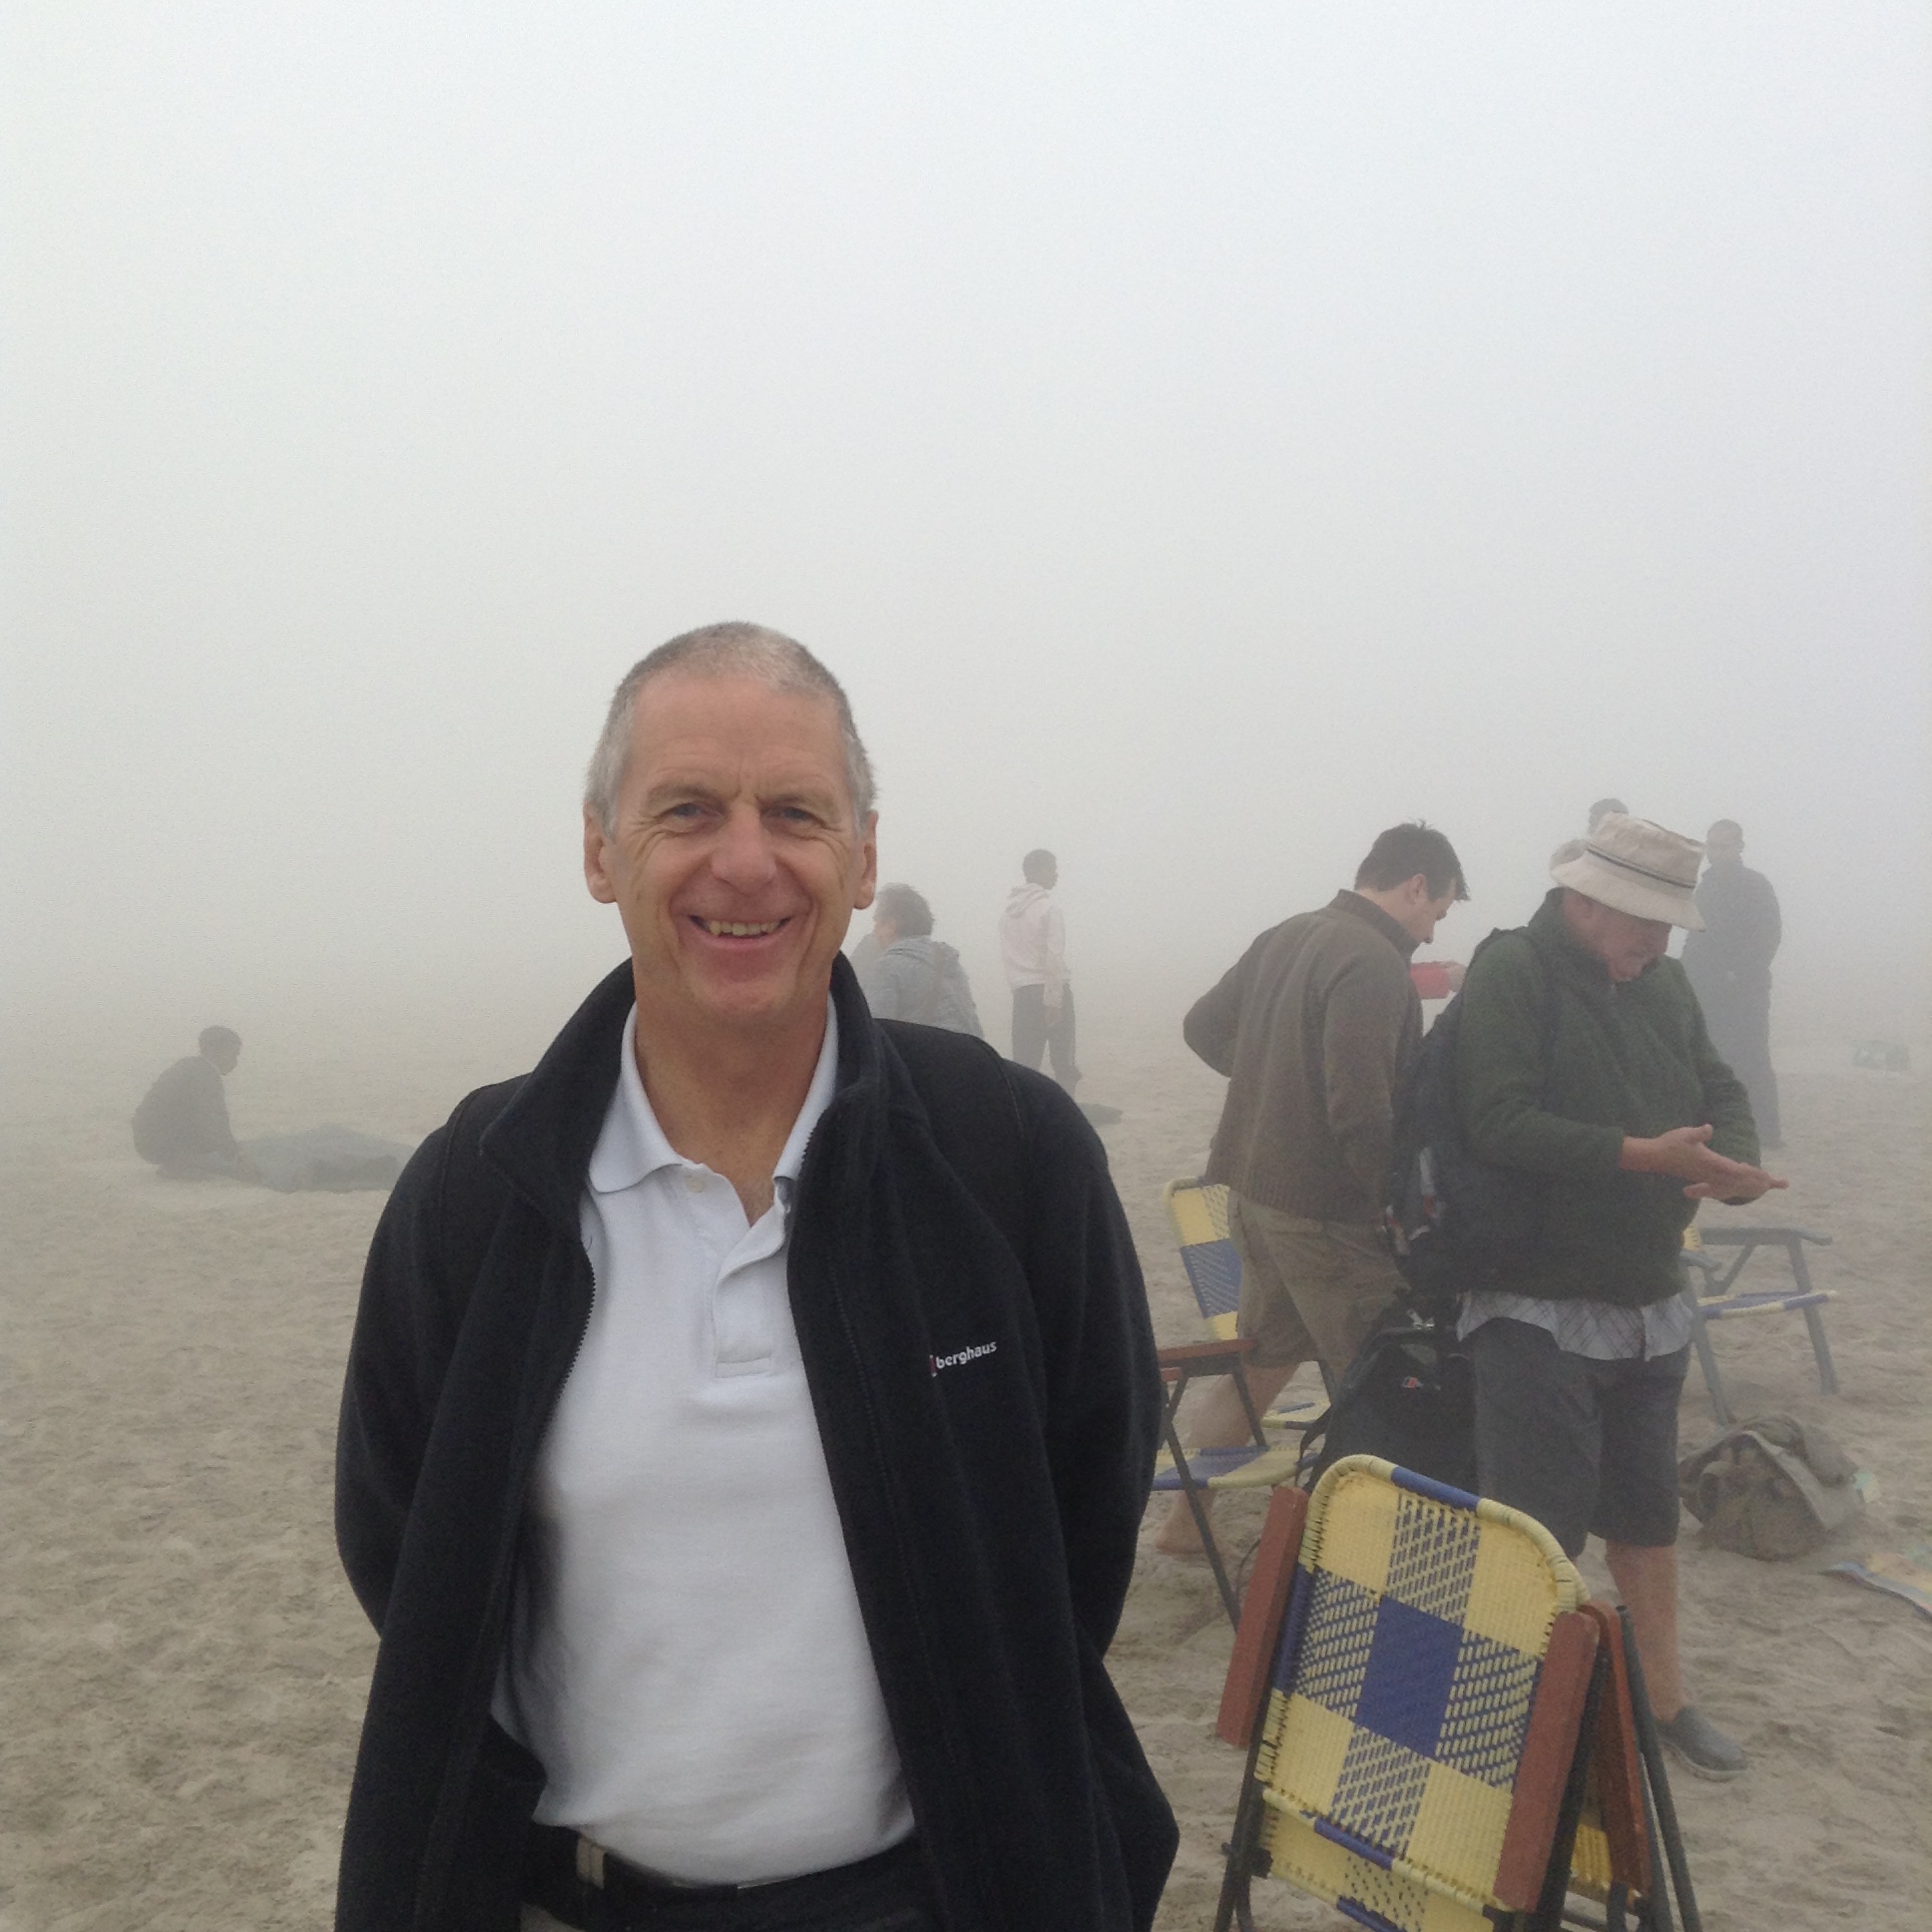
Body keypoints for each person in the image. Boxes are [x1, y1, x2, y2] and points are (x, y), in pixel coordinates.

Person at [333, 623, 1174, 1932]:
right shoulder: (478, 1189)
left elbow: (1079, 1526)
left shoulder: (1008, 1156)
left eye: (795, 811)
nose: (744, 860)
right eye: (686, 809)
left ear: (863, 855)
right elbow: (405, 1543)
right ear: (600, 850)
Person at [1454, 812, 1785, 1780]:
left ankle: (1665, 1700)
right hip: (1532, 1299)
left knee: (1646, 1518)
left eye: (1669, 924)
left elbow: (1722, 1088)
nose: (1659, 941)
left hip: (1648, 1298)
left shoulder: (1665, 983)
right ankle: (1510, 1716)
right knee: (1535, 1530)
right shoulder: (1513, 970)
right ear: (1586, 901)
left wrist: (1731, 1167)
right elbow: (1496, 1121)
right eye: (1646, 921)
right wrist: (1644, 1155)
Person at [1155, 823, 1466, 1556]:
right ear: (1416, 885)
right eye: (1439, 909)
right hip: (1327, 1214)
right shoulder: (1373, 962)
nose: (1432, 930)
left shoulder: (1289, 932)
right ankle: (1370, 1552)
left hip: (1253, 1194)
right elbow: (1360, 1112)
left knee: (1259, 1364)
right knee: (1380, 1376)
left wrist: (1274, 1080)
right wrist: (1396, 1213)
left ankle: (1184, 1526)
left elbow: (1203, 1027)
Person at [1681, 819, 1782, 1147]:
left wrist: (1738, 972)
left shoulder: (1756, 885)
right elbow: (1696, 935)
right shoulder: (1705, 888)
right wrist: (1683, 974)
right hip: (1706, 987)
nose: (1717, 853)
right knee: (1710, 1056)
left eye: (1724, 846)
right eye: (1712, 846)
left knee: (1752, 1057)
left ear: (1739, 847)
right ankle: (1717, 1126)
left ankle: (1767, 1132)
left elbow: (1769, 935)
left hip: (1746, 991)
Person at [860, 883, 984, 1037]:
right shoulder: (950, 963)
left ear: (891, 925)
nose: (875, 931)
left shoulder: (888, 967)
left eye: (877, 922)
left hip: (920, 1051)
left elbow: (873, 1033)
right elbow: (973, 1026)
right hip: (966, 1050)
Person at [1000, 849, 1077, 1095]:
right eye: (1051, 868)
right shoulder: (1049, 908)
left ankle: (1025, 1110)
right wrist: (1054, 1001)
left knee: (1024, 1063)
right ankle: (1066, 1107)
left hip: (1023, 994)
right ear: (1034, 871)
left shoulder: (1008, 914)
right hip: (1052, 991)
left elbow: (1009, 958)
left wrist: (1019, 988)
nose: (1056, 874)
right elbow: (1053, 958)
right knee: (1064, 1063)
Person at [131, 1027, 248, 1179]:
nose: (235, 1062)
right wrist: (236, 1156)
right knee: (214, 1141)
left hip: (146, 1139)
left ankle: (177, 1162)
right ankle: (179, 1163)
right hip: (160, 1142)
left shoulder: (189, 1067)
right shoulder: (205, 1075)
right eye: (232, 1054)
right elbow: (214, 1121)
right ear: (212, 1050)